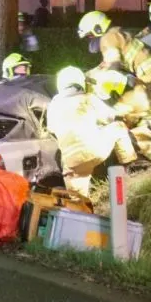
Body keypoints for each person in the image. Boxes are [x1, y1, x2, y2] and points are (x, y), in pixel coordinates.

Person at [46, 66, 137, 201]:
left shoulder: (53, 106)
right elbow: (109, 117)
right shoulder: (88, 98)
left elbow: (52, 129)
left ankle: (84, 213)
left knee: (78, 201)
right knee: (119, 127)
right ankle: (131, 168)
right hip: (94, 149)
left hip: (72, 163)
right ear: (80, 82)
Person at [77, 10, 151, 100]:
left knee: (150, 108)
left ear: (98, 29)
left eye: (89, 36)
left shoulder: (108, 39)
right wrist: (85, 75)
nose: (89, 40)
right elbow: (105, 65)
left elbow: (113, 68)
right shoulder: (114, 33)